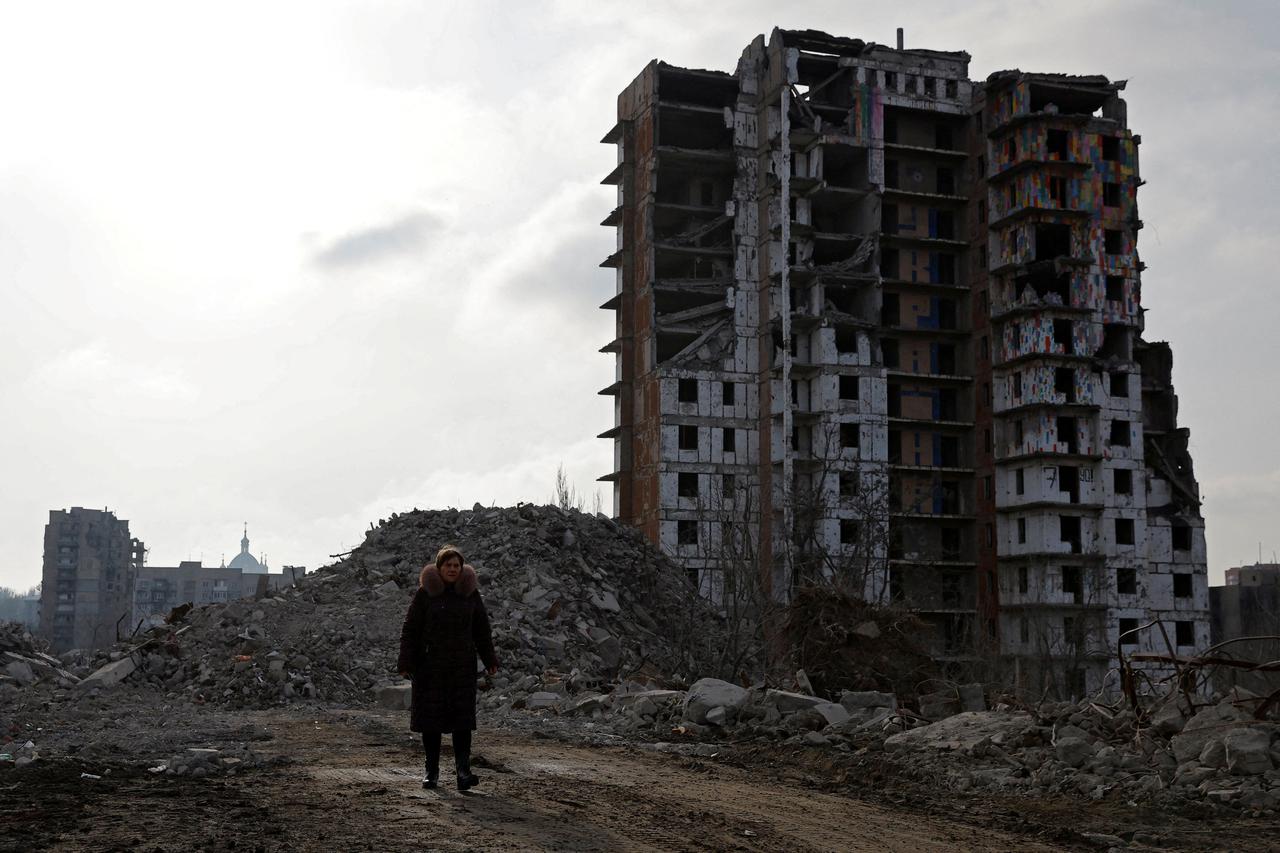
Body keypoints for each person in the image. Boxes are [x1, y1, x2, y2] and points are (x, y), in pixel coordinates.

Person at [397, 544, 498, 791]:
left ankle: (463, 772)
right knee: (431, 723)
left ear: (462, 569)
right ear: (439, 567)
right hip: (429, 668)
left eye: (456, 566)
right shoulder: (425, 594)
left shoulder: (471, 594)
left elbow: (481, 630)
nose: (452, 569)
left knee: (461, 721)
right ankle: (431, 772)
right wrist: (405, 662)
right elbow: (410, 629)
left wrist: (490, 660)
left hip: (461, 668)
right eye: (448, 565)